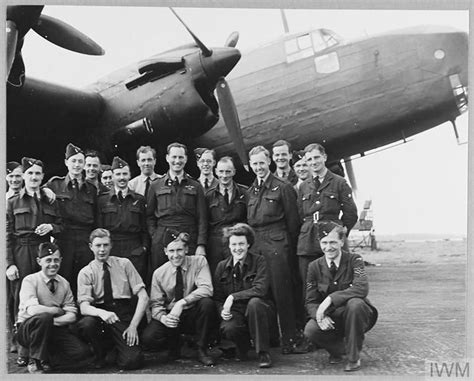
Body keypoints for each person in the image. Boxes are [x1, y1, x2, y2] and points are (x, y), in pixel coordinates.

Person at [6, 157, 64, 367]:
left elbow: (61, 225)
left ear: (42, 177)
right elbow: (7, 235)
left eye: (38, 173)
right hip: (21, 251)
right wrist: (9, 264)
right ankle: (22, 347)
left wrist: (51, 228)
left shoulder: (49, 200)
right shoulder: (13, 202)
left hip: (43, 251)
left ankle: (40, 347)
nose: (34, 177)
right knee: (20, 300)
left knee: (42, 298)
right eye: (30, 173)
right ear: (23, 176)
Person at [246, 145, 304, 354]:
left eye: (262, 162)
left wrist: (289, 249)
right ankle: (271, 339)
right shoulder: (251, 190)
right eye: (255, 164)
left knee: (282, 292)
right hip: (257, 245)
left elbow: (293, 223)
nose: (259, 167)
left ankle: (290, 339)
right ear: (251, 165)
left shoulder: (283, 187)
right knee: (263, 291)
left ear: (269, 162)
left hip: (278, 243)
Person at [304, 221, 378, 371]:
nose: (328, 247)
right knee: (310, 330)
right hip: (333, 317)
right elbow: (310, 301)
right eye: (324, 242)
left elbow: (361, 288)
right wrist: (320, 316)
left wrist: (330, 299)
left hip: (357, 314)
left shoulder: (355, 260)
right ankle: (338, 350)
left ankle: (353, 357)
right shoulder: (314, 267)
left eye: (333, 242)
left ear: (342, 242)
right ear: (319, 243)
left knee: (355, 304)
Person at [141, 229, 217, 366]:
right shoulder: (159, 273)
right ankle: (175, 344)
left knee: (207, 304)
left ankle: (201, 349)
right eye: (171, 251)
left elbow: (207, 288)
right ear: (165, 251)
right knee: (149, 338)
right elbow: (156, 304)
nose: (175, 255)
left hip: (193, 312)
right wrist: (164, 318)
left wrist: (181, 303)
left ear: (186, 249)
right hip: (172, 316)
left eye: (179, 250)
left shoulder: (199, 262)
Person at [77, 228, 148, 370]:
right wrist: (102, 313)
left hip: (122, 313)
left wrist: (133, 326)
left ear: (111, 245)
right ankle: (100, 354)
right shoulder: (86, 272)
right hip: (100, 314)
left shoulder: (124, 264)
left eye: (105, 245)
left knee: (131, 361)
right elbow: (84, 307)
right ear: (91, 247)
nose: (102, 250)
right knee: (87, 324)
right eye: (98, 246)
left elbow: (144, 297)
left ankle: (116, 350)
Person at [15, 242, 92, 374]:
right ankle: (35, 360)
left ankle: (47, 358)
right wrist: (56, 311)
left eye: (56, 260)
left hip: (54, 328)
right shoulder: (30, 280)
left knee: (81, 353)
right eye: (48, 260)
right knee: (43, 317)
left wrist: (50, 323)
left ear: (61, 260)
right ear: (39, 261)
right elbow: (33, 311)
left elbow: (72, 315)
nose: (53, 264)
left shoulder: (64, 283)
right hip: (29, 330)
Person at [297, 143, 358, 291]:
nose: (314, 162)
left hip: (332, 241)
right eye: (309, 159)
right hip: (308, 243)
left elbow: (351, 214)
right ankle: (312, 315)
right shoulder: (304, 186)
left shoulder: (339, 182)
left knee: (335, 283)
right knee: (309, 286)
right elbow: (300, 214)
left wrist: (339, 233)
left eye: (317, 157)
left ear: (324, 157)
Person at [213, 223, 274, 368]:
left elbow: (260, 289)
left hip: (258, 310)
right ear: (228, 246)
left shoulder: (259, 261)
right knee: (229, 327)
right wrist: (222, 310)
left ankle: (263, 352)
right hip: (235, 311)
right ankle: (243, 347)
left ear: (248, 245)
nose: (237, 248)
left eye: (241, 243)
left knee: (255, 303)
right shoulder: (222, 266)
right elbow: (217, 296)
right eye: (233, 244)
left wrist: (232, 297)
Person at [45, 143, 98, 295]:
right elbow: (36, 192)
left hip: (84, 238)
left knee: (85, 278)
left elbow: (96, 218)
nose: (77, 165)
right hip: (64, 238)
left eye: (80, 161)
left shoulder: (91, 189)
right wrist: (45, 191)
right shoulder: (55, 184)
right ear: (66, 162)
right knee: (63, 278)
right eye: (73, 161)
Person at [146, 142, 207, 271]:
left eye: (180, 157)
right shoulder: (155, 186)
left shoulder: (195, 186)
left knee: (189, 275)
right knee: (161, 275)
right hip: (162, 237)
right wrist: (155, 235)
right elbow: (149, 215)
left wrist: (201, 244)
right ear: (167, 158)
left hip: (188, 236)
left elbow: (202, 218)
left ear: (186, 159)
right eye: (174, 157)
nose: (177, 161)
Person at [97, 156, 149, 281]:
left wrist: (144, 248)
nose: (121, 178)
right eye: (118, 174)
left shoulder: (139, 200)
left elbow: (145, 228)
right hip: (111, 248)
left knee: (134, 286)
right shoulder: (102, 200)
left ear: (129, 175)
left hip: (134, 249)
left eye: (125, 174)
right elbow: (98, 228)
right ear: (113, 176)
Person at [205, 156, 247, 274]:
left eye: (228, 171)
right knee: (217, 275)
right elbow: (204, 222)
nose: (224, 175)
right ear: (216, 171)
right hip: (215, 243)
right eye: (221, 171)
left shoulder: (244, 193)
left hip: (236, 240)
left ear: (234, 172)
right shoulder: (209, 196)